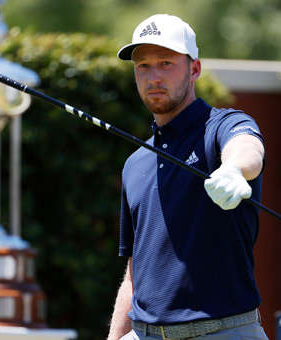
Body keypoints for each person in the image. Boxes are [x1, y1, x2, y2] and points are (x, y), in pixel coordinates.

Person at [107, 14, 269, 340]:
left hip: (223, 332)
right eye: (143, 66)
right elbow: (134, 277)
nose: (153, 76)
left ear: (194, 69)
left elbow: (248, 147)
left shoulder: (221, 126)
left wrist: (234, 169)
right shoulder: (135, 164)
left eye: (166, 63)